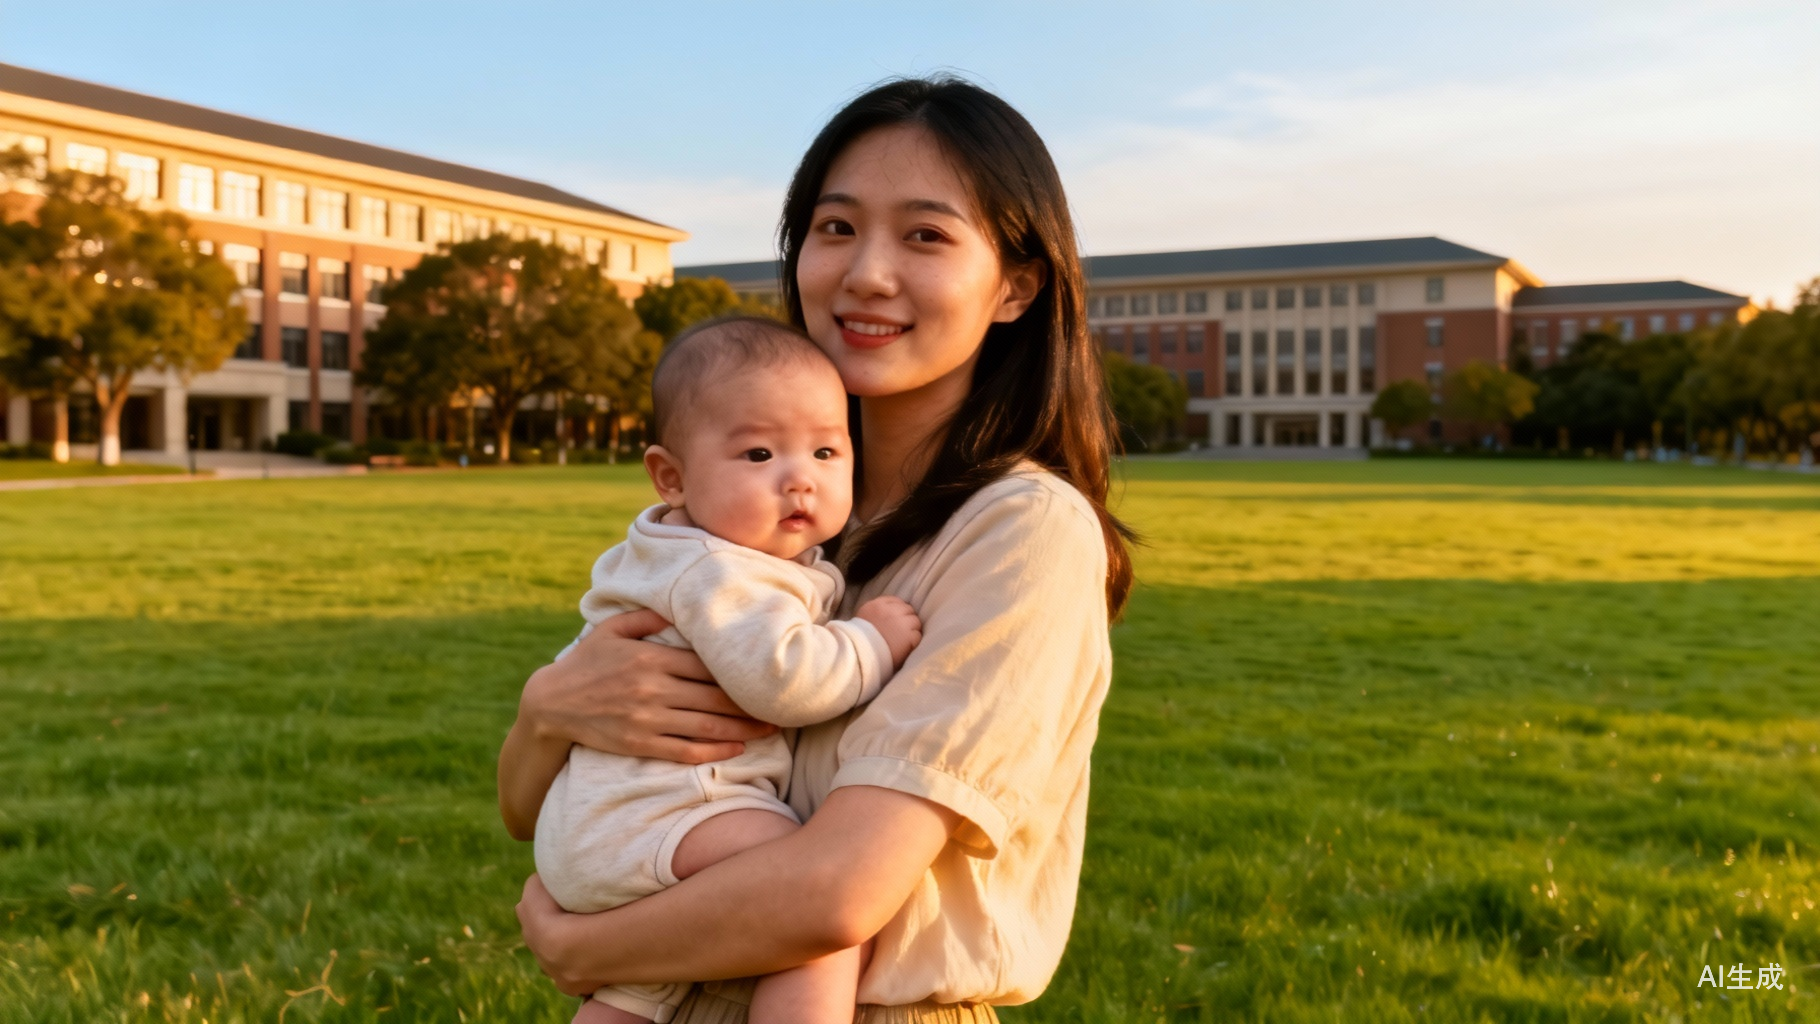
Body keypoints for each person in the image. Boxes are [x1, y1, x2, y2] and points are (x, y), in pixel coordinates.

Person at [499, 75, 1136, 1023]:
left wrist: (580, 945)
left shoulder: (1021, 531)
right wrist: (549, 709)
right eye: (835, 229)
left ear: (1015, 286)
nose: (866, 273)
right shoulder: (774, 517)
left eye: (925, 234)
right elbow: (524, 809)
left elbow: (840, 891)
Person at [538, 316, 923, 1024]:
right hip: (667, 814)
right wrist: (870, 641)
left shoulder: (676, 554)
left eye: (827, 451)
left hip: (600, 823)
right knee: (807, 914)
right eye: (757, 454)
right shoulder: (718, 571)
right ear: (671, 476)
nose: (800, 478)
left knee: (638, 991)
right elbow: (784, 680)